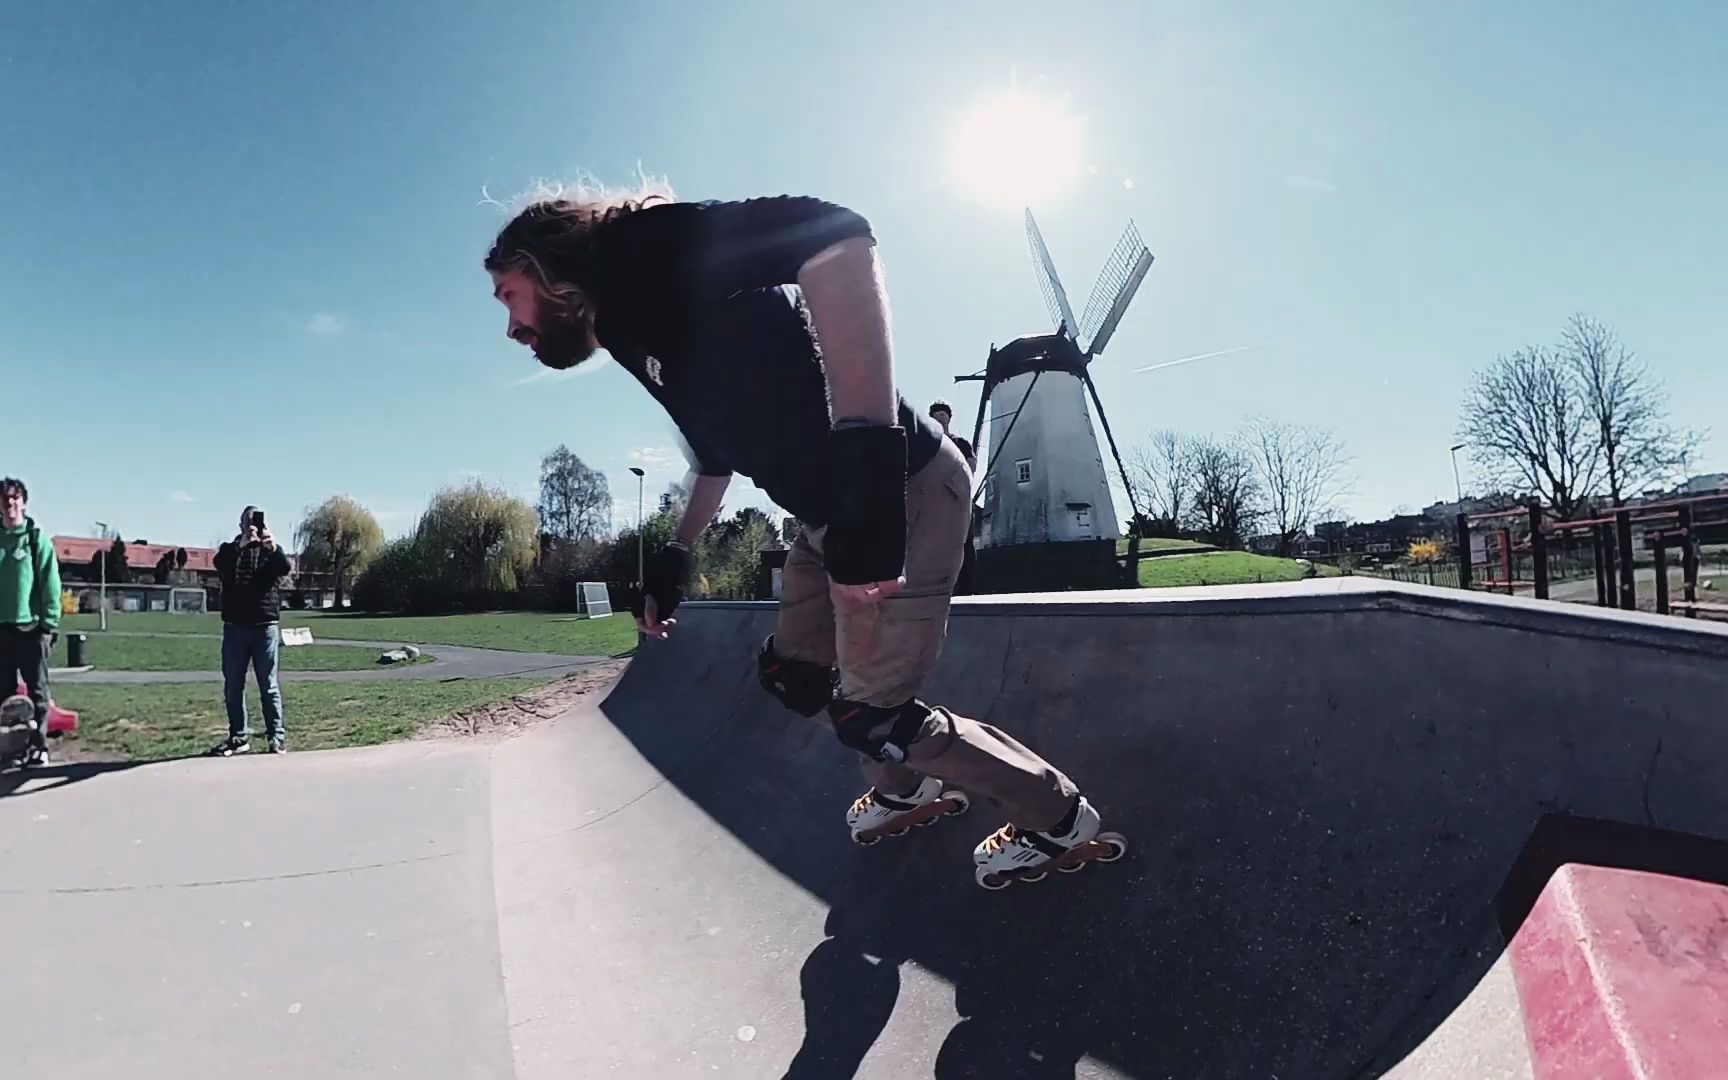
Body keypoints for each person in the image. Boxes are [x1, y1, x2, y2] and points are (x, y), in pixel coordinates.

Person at [484, 186, 1104, 885]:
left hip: (906, 493)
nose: (510, 327)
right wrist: (675, 555)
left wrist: (869, 465)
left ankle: (1055, 816)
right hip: (824, 522)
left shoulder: (641, 248)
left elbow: (834, 232)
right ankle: (910, 785)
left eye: (508, 295)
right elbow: (713, 458)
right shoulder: (629, 330)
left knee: (873, 717)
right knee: (793, 676)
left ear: (547, 268)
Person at [210, 505, 291, 756]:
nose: (252, 525)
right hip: (235, 627)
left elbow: (285, 568)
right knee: (233, 684)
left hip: (264, 626)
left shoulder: (270, 551)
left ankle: (276, 737)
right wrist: (240, 546)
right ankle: (238, 737)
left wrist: (273, 548)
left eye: (255, 521)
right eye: (247, 521)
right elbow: (218, 563)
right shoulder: (229, 550)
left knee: (268, 685)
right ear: (240, 525)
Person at [0, 477, 62, 766]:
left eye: (14, 499)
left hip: (31, 628)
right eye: (4, 499)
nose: (9, 504)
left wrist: (48, 623)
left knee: (37, 692)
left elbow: (51, 583)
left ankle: (39, 747)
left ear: (23, 502)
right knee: (4, 696)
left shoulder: (37, 539)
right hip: (1, 629)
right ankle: (11, 748)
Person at [928, 400, 978, 596]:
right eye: (936, 415)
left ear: (949, 418)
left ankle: (966, 590)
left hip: (958, 497)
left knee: (964, 542)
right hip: (933, 499)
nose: (940, 418)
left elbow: (971, 465)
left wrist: (954, 483)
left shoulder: (960, 442)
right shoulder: (929, 442)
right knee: (933, 542)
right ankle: (937, 589)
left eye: (943, 415)